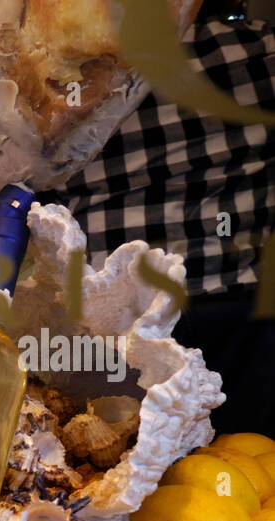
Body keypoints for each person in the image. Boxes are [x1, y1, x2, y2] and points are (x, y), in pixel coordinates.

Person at [58, 0, 275, 431]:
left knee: (120, 470)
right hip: (241, 311)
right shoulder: (258, 51)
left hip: (117, 322)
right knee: (250, 464)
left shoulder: (69, 79)